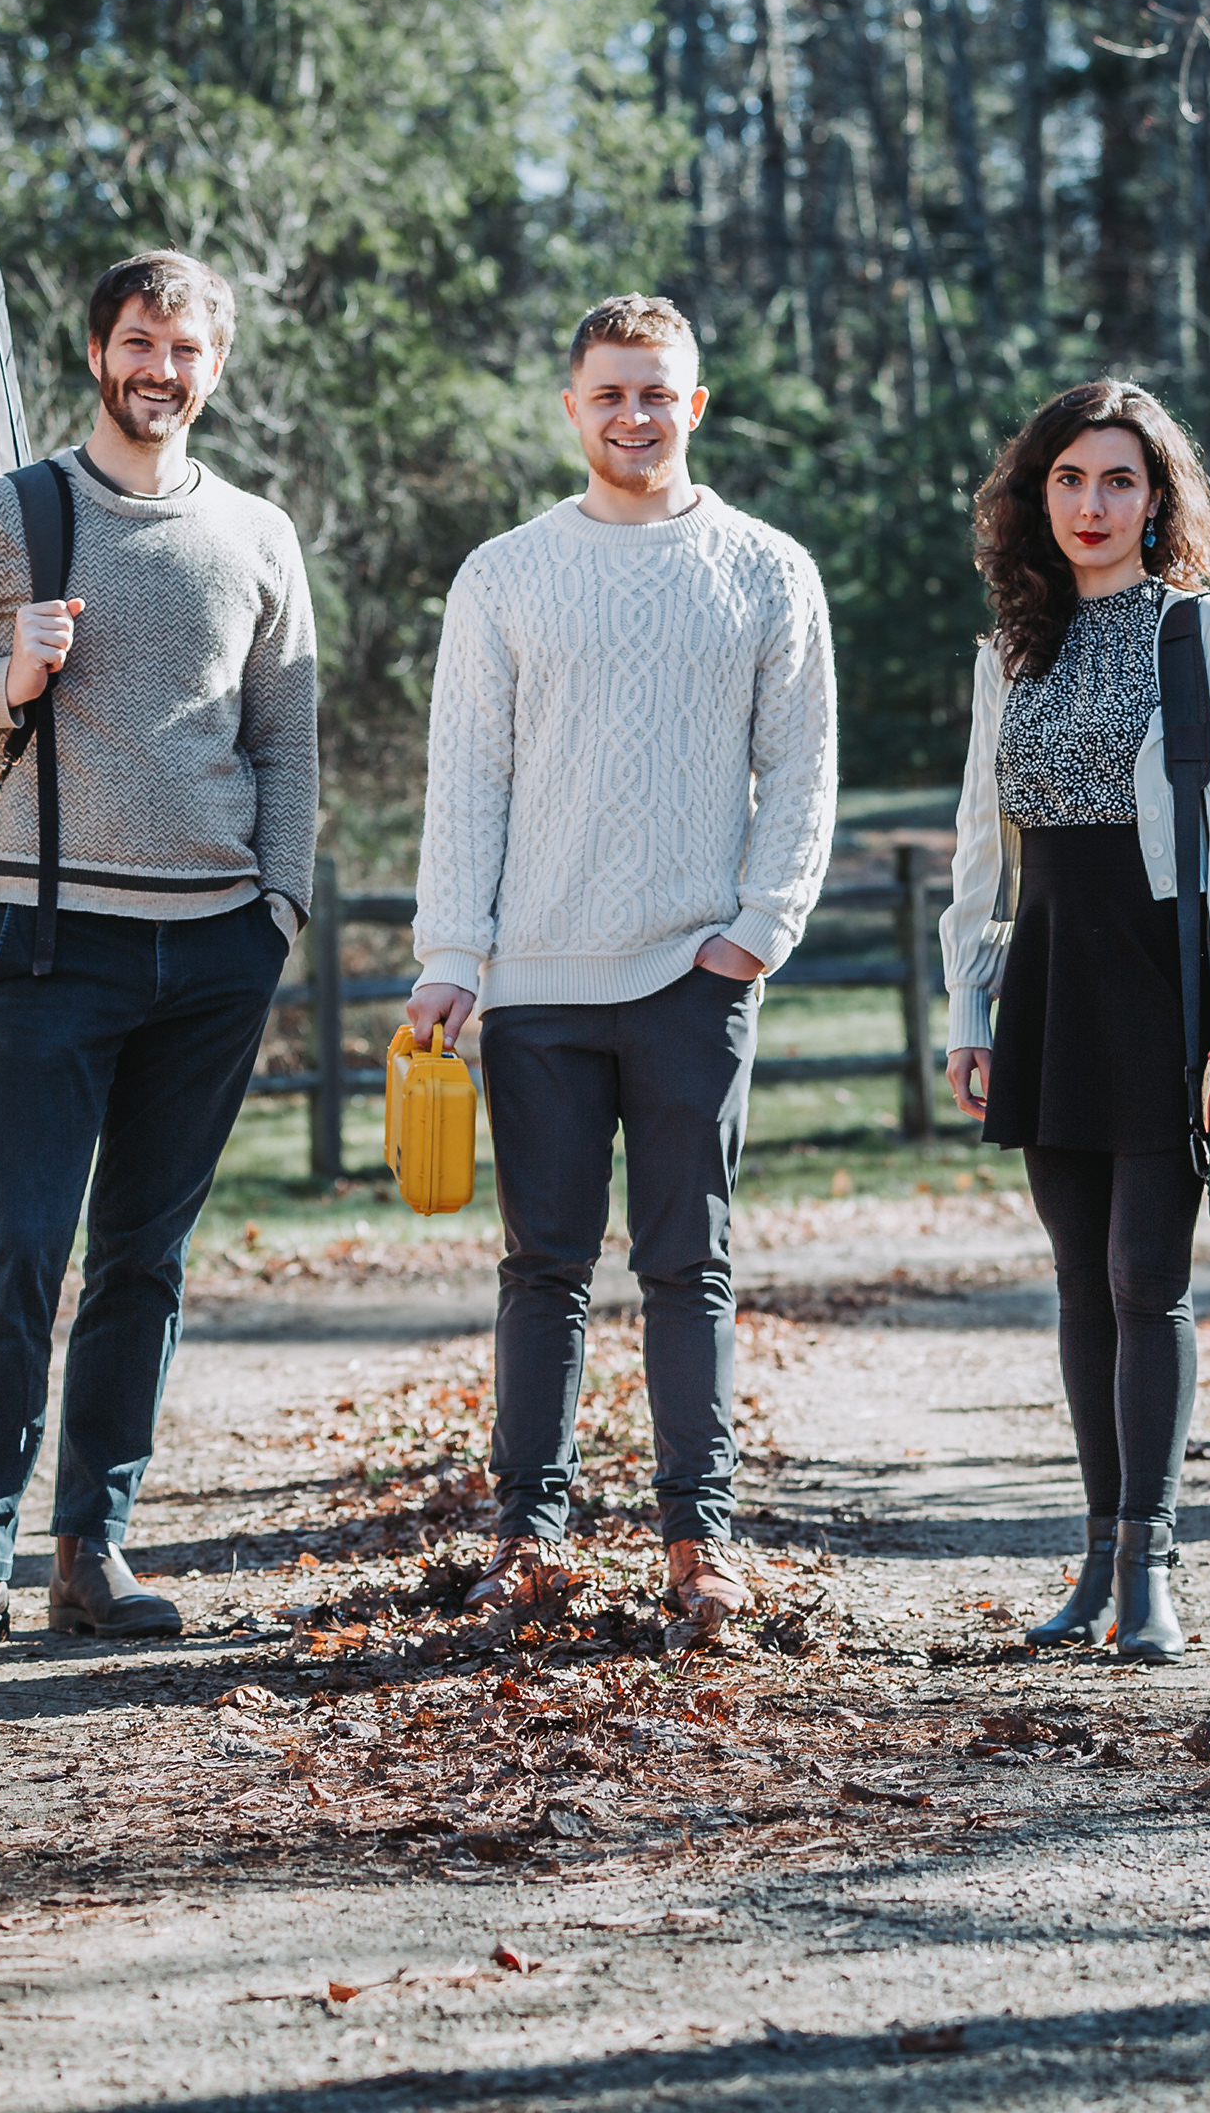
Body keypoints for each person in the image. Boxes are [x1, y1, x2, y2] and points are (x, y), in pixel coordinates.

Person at [0, 249, 318, 1653]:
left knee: (143, 1264)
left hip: (215, 955)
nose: (158, 369)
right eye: (136, 341)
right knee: (23, 1250)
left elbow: (284, 737)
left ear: (213, 366)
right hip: (52, 944)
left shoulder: (258, 535)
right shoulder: (4, 519)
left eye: (183, 348)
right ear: (97, 351)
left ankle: (90, 1555)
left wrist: (276, 909)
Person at [404, 294, 837, 1650]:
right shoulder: (504, 576)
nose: (635, 415)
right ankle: (529, 1539)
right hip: (535, 984)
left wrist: (758, 931)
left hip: (689, 978)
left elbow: (804, 767)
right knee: (541, 1269)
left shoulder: (767, 570)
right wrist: (450, 959)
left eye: (659, 392)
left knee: (685, 1265)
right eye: (611, 393)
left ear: (694, 405)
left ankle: (699, 1544)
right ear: (572, 407)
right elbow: (468, 780)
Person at [938, 382, 1210, 1664]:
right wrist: (969, 1004)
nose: (1091, 506)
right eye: (1068, 480)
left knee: (1144, 1276)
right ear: (1034, 496)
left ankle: (1154, 1569)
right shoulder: (1010, 650)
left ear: (1158, 498)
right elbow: (979, 856)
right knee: (1077, 1281)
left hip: (1163, 977)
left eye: (1118, 481)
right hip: (1048, 976)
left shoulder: (1203, 633)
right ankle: (1097, 1555)